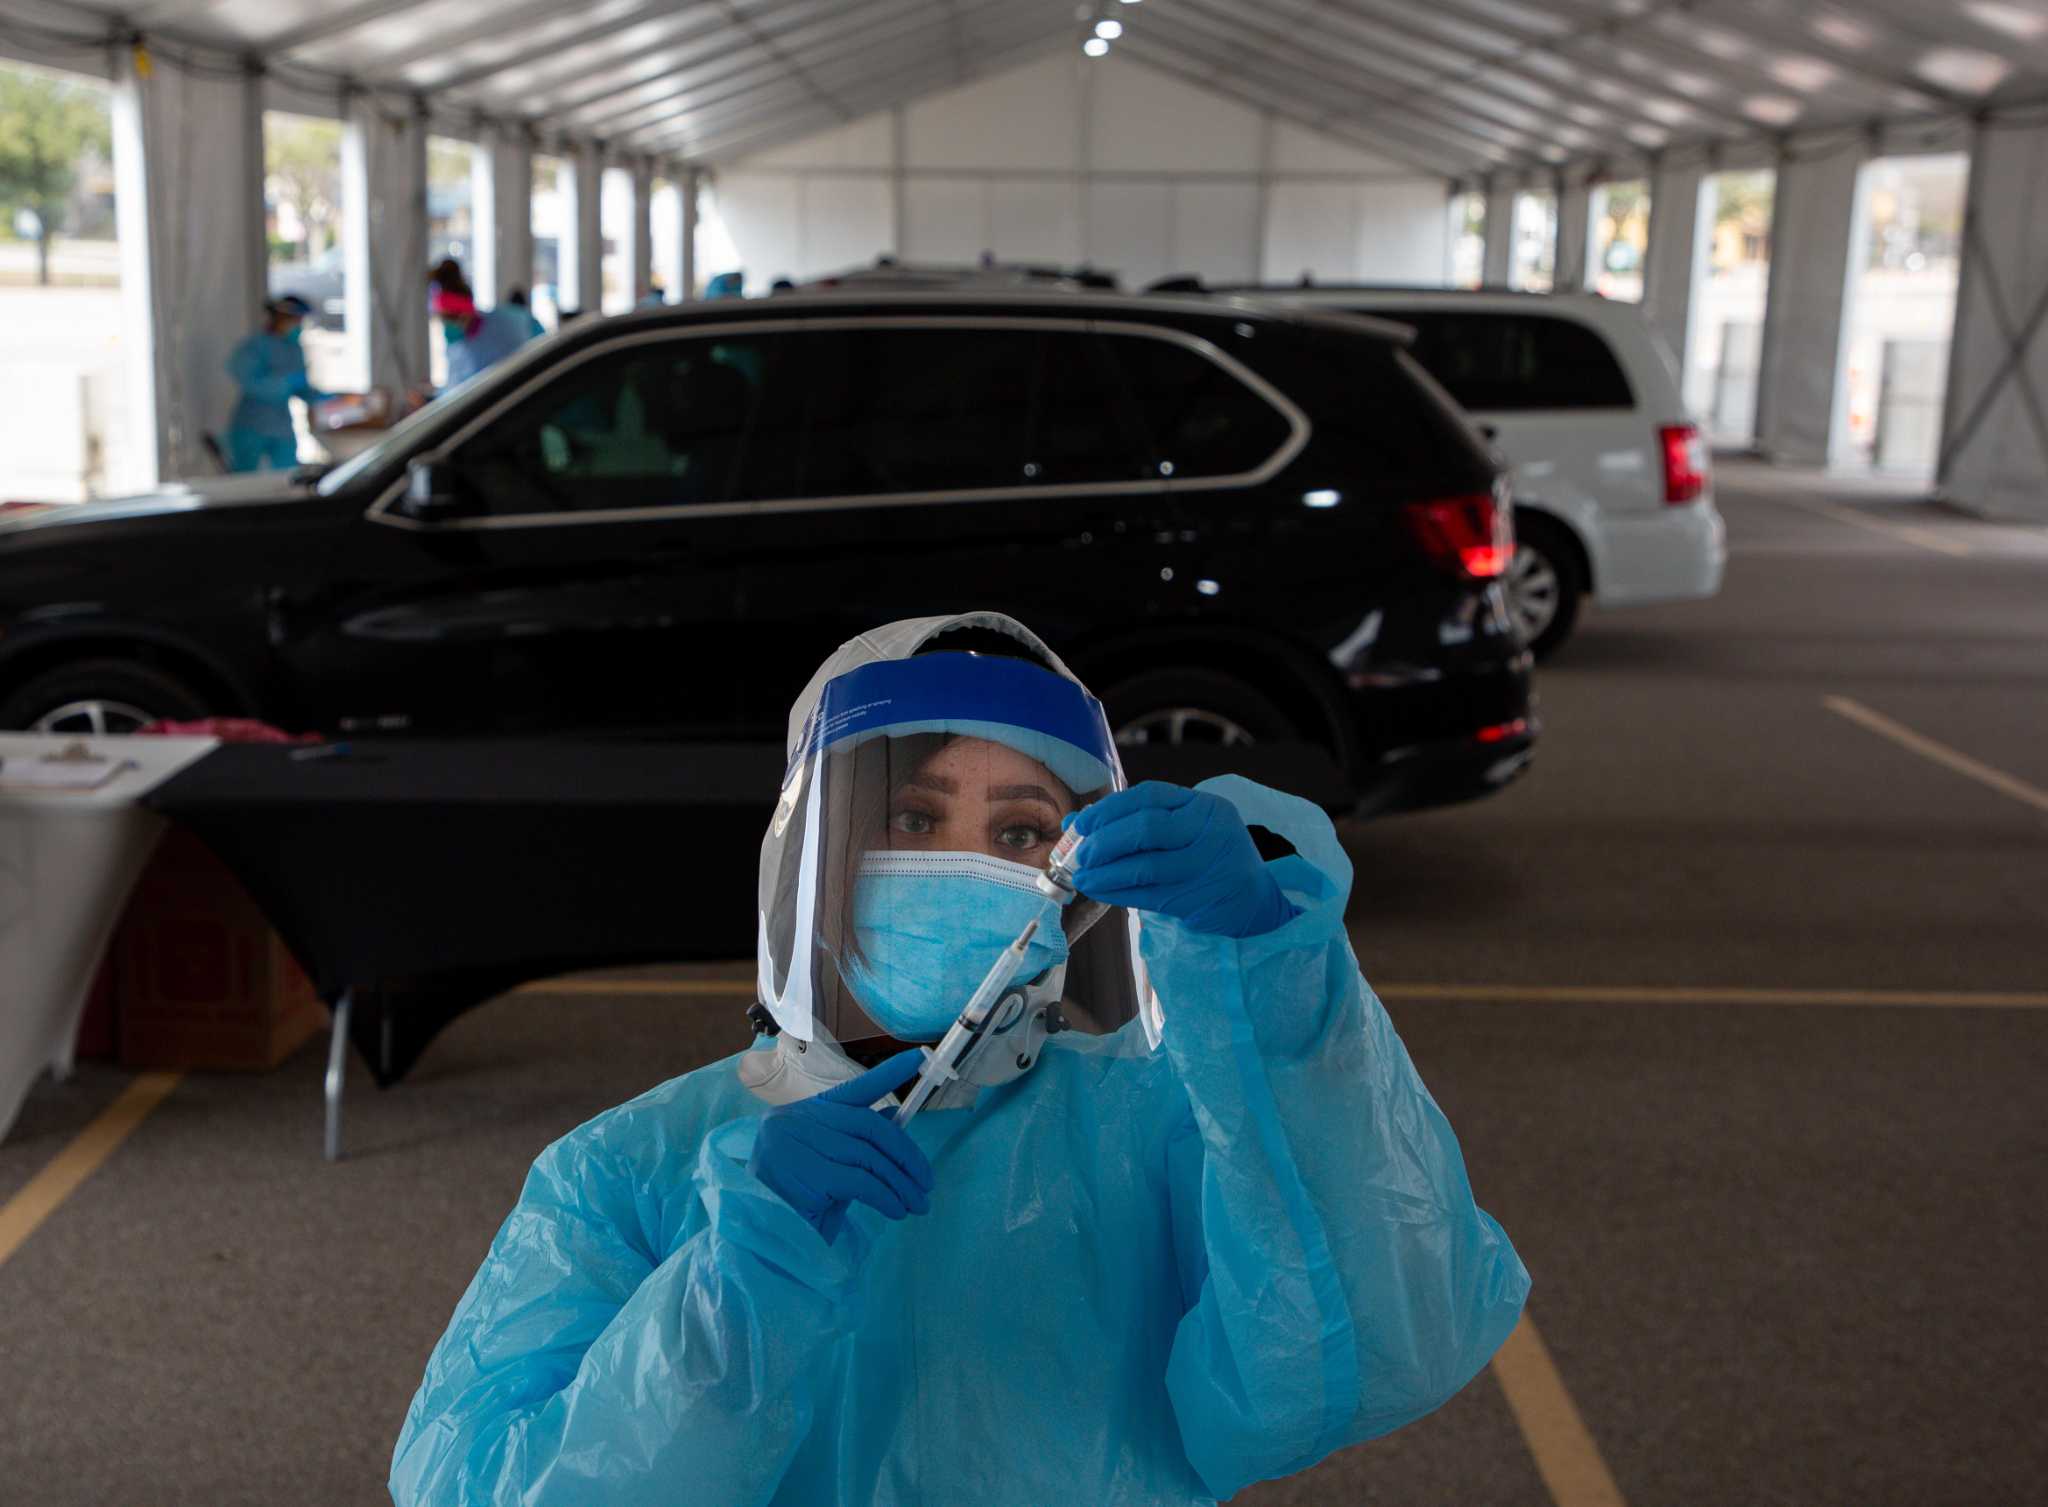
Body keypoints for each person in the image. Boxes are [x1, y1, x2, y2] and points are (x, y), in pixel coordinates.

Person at [389, 612, 1528, 1507]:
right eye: (914, 818)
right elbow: (477, 1485)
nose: (966, 865)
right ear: (814, 854)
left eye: (1022, 833)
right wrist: (732, 1286)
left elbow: (1371, 1353)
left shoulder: (1152, 1133)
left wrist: (1269, 988)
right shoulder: (629, 1170)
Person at [222, 295, 324, 473]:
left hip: (282, 426)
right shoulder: (254, 346)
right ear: (280, 318)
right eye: (295, 320)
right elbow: (249, 382)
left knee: (287, 477)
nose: (299, 325)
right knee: (244, 481)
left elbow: (301, 389)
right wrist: (285, 383)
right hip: (251, 425)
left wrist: (324, 398)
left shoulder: (294, 348)